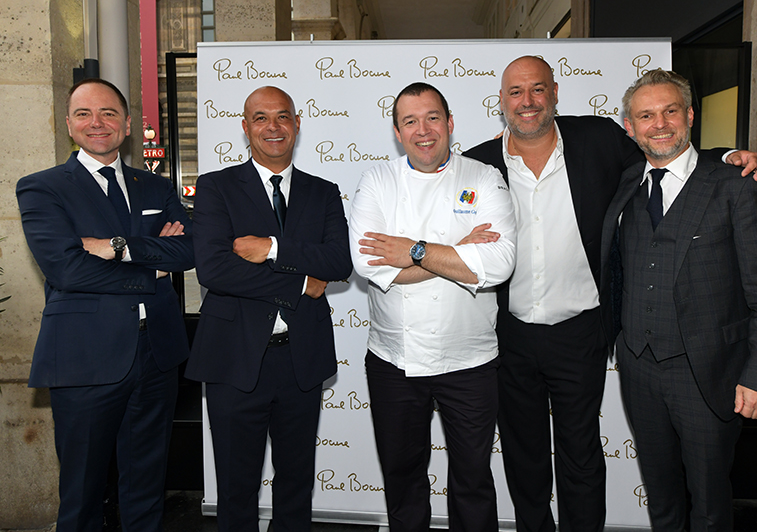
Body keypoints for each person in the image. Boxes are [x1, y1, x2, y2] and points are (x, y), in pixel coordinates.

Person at [463, 56, 757, 532]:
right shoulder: (478, 164)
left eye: (538, 89)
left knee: (581, 454)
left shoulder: (598, 139)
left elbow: (666, 157)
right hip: (511, 336)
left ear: (555, 92)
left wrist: (728, 156)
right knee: (523, 456)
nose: (528, 102)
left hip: (582, 331)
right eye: (516, 92)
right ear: (501, 101)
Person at [602, 69, 757, 531]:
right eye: (645, 115)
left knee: (709, 503)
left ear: (689, 115)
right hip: (639, 367)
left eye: (670, 111)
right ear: (630, 127)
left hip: (709, 373)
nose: (659, 123)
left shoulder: (737, 185)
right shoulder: (626, 181)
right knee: (662, 496)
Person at [16, 78, 194, 531]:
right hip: (83, 358)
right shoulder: (42, 188)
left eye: (109, 113)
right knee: (82, 493)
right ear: (70, 126)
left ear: (128, 124)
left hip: (157, 354)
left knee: (148, 485)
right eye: (84, 114)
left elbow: (189, 252)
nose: (98, 123)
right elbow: (67, 271)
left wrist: (116, 246)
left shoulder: (155, 186)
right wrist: (152, 263)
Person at [349, 82, 516, 532]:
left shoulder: (483, 177)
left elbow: (498, 264)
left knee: (473, 479)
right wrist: (459, 250)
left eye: (432, 118)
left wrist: (416, 250)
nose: (423, 130)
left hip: (471, 360)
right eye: (410, 121)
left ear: (450, 123)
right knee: (403, 478)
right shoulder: (378, 181)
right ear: (398, 133)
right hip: (394, 360)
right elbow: (369, 265)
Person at [185, 86, 351, 532]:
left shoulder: (323, 192)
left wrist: (272, 248)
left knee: (296, 484)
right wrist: (300, 281)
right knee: (236, 488)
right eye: (261, 118)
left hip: (301, 358)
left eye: (282, 117)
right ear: (245, 127)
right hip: (233, 357)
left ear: (297, 124)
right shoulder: (216, 187)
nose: (272, 127)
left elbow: (339, 263)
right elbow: (216, 271)